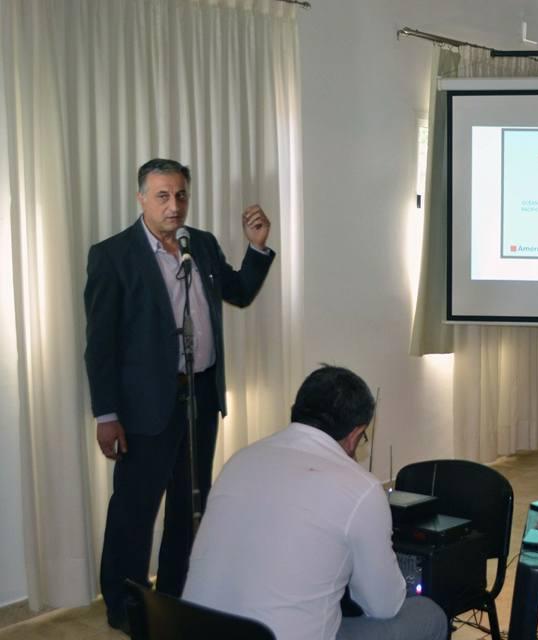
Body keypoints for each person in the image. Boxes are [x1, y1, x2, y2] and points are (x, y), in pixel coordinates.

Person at [84, 158, 275, 633]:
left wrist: (257, 248)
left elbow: (239, 292)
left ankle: (173, 599)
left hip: (200, 396)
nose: (174, 205)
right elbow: (100, 345)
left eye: (181, 195)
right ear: (141, 198)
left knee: (190, 506)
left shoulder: (201, 244)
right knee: (134, 510)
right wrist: (106, 414)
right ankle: (125, 607)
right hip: (144, 406)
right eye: (163, 196)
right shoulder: (112, 255)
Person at [182, 365, 449, 640]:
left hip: (197, 631)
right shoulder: (361, 488)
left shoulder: (239, 461)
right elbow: (384, 606)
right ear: (356, 434)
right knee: (428, 615)